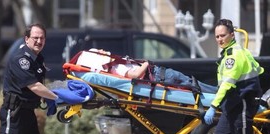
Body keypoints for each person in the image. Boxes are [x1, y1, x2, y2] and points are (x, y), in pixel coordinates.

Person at [187, 19, 264, 134]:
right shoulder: (228, 54)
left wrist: (213, 107)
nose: (220, 39)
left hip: (242, 104)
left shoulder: (234, 55)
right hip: (231, 105)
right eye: (217, 36)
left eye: (223, 35)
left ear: (232, 35)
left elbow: (228, 84)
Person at [87, 48, 217, 93]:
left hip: (160, 75)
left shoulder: (115, 66)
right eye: (100, 52)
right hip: (161, 77)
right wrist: (146, 63)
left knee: (193, 83)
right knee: (193, 84)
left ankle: (218, 92)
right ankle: (218, 94)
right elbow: (136, 75)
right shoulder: (116, 68)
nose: (102, 50)